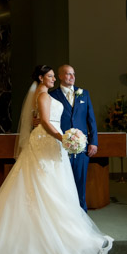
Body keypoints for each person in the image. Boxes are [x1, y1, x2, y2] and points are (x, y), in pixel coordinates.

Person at [0, 65, 113, 254]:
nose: (53, 79)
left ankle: (62, 229)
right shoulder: (42, 95)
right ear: (41, 78)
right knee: (44, 185)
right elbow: (46, 123)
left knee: (55, 187)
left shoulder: (48, 94)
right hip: (47, 142)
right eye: (50, 76)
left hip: (51, 143)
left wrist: (65, 137)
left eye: (53, 76)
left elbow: (45, 119)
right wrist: (63, 138)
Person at [47, 65, 97, 210]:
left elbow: (91, 120)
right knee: (63, 183)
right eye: (68, 74)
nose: (72, 77)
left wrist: (93, 142)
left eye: (73, 74)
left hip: (82, 147)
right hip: (60, 145)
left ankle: (82, 213)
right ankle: (65, 213)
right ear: (60, 76)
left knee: (80, 182)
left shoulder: (84, 94)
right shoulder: (52, 95)